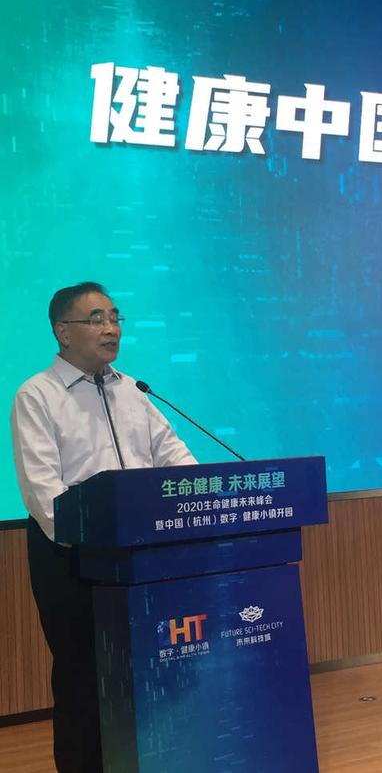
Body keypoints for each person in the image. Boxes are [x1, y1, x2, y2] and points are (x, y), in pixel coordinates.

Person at [10, 282, 197, 773]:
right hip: (71, 557)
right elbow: (43, 493)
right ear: (63, 332)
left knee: (150, 669)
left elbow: (176, 458)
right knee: (83, 677)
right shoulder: (37, 395)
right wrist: (103, 536)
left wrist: (200, 499)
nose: (111, 328)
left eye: (115, 317)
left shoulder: (133, 390)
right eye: (96, 319)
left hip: (143, 553)